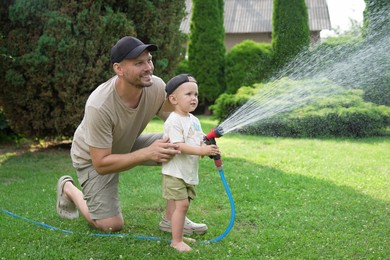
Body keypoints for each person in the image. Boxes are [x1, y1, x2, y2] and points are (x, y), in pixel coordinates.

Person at [56, 36, 208, 233]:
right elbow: (101, 164)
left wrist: (200, 139)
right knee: (111, 225)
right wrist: (146, 154)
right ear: (118, 69)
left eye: (149, 60)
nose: (148, 67)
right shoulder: (99, 105)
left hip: (127, 144)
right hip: (93, 158)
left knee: (178, 144)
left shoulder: (156, 86)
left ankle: (172, 219)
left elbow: (178, 121)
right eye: (139, 63)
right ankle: (68, 189)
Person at [160, 74, 220, 252]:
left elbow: (199, 140)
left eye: (196, 94)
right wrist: (201, 150)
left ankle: (172, 230)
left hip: (188, 171)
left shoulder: (193, 120)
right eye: (189, 94)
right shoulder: (173, 120)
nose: (194, 98)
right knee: (182, 205)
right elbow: (177, 145)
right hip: (175, 172)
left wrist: (207, 148)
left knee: (176, 205)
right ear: (174, 99)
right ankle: (176, 241)